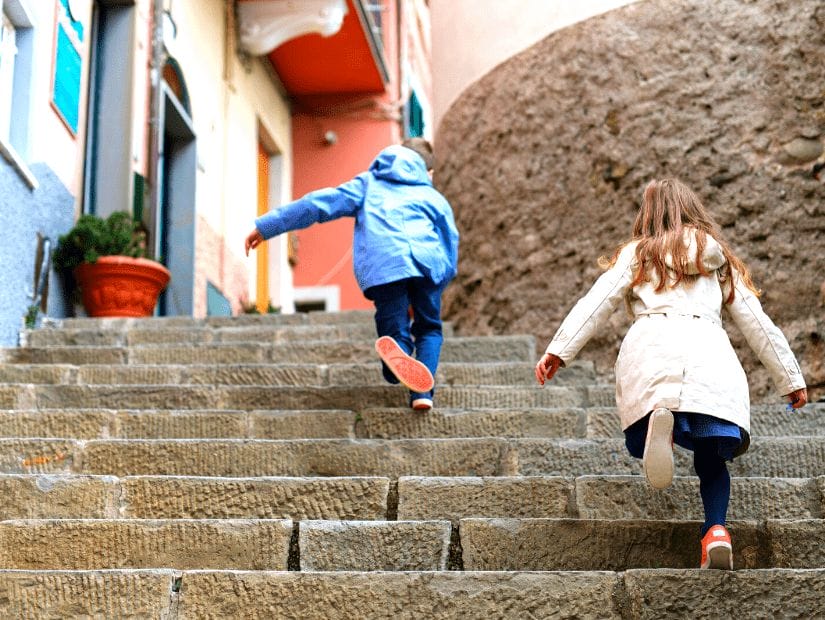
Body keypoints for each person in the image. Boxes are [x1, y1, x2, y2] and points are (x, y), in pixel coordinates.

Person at [534, 178, 807, 570]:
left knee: (657, 413)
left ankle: (659, 427)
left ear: (648, 214)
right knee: (713, 458)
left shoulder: (637, 254)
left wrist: (558, 350)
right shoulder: (718, 259)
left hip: (652, 348)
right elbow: (756, 321)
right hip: (708, 353)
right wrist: (790, 378)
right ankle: (715, 530)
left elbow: (597, 302)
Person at [245, 138, 459, 411]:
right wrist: (443, 277)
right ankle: (422, 394)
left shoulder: (369, 184)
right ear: (428, 173)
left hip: (387, 263)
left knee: (394, 329)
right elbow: (450, 239)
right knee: (429, 328)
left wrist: (268, 226)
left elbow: (318, 204)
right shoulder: (433, 197)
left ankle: (398, 367)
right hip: (429, 264)